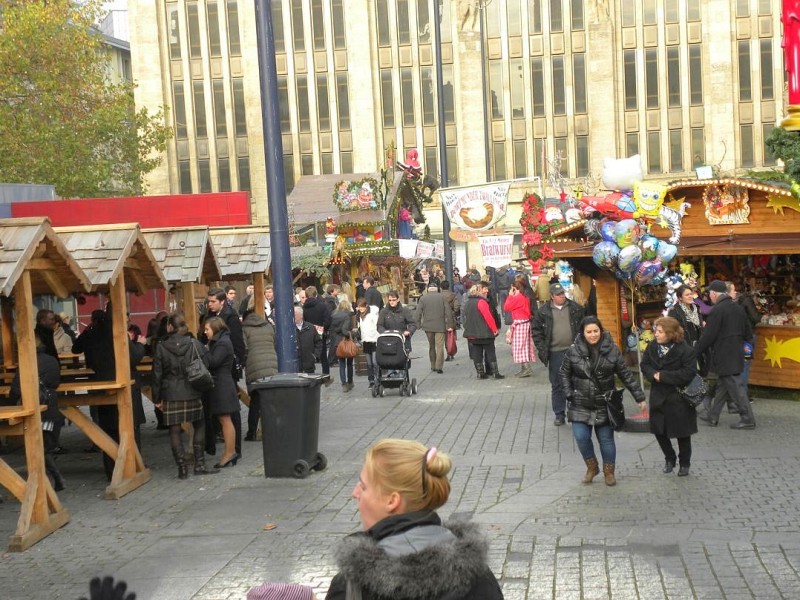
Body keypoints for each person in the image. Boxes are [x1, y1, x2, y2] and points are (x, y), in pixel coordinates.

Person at [325, 439, 504, 600]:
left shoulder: (353, 585)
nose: (354, 493)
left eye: (363, 487)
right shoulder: (478, 575)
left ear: (392, 501)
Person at [559, 316, 646, 486]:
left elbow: (625, 374)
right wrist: (569, 392)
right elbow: (564, 373)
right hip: (580, 401)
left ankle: (609, 472)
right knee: (581, 437)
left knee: (606, 440)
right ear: (583, 333)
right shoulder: (573, 351)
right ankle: (592, 467)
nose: (593, 335)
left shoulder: (612, 350)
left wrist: (639, 397)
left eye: (596, 331)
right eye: (589, 332)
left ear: (601, 330)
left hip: (604, 402)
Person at [152, 313, 217, 478]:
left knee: (174, 430)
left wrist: (156, 398)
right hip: (192, 390)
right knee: (199, 425)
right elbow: (206, 363)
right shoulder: (194, 343)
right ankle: (199, 464)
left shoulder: (161, 346)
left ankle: (181, 468)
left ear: (170, 327)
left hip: (171, 393)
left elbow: (157, 375)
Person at [640, 317, 699, 477]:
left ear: (670, 333)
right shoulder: (653, 347)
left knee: (682, 432)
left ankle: (684, 463)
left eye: (660, 332)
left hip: (679, 397)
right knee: (659, 430)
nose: (656, 335)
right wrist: (653, 375)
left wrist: (663, 376)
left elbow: (688, 373)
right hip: (658, 395)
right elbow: (644, 365)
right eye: (655, 331)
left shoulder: (685, 350)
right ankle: (669, 458)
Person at [695, 280, 756, 430]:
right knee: (722, 386)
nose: (709, 296)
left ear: (714, 294)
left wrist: (693, 352)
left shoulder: (717, 310)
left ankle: (748, 419)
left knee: (736, 388)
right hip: (736, 352)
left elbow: (709, 336)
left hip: (724, 354)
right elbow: (748, 332)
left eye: (709, 293)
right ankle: (713, 416)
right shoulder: (737, 307)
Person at [9, 341, 65, 491]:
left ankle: (49, 479)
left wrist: (11, 403)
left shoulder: (28, 362)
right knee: (45, 446)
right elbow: (56, 382)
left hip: (34, 406)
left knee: (37, 446)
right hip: (51, 404)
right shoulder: (52, 360)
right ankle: (53, 477)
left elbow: (16, 388)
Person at [532, 282, 585, 426]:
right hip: (555, 353)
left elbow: (583, 327)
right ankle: (559, 413)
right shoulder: (543, 311)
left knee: (575, 381)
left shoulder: (575, 308)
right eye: (559, 295)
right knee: (557, 385)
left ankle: (574, 410)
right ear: (551, 297)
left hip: (573, 351)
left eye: (563, 293)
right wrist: (542, 347)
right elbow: (536, 331)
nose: (562, 296)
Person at [204, 288, 246, 457]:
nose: (210, 304)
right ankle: (216, 443)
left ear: (222, 301)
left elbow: (237, 342)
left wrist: (238, 364)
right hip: (216, 368)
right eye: (209, 301)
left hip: (226, 368)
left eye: (213, 301)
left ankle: (235, 448)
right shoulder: (209, 315)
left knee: (231, 410)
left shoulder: (231, 316)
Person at [203, 317, 240, 468]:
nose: (205, 332)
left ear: (215, 329)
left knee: (225, 419)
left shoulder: (223, 343)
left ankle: (230, 452)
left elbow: (213, 362)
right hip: (221, 384)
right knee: (223, 419)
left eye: (207, 329)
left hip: (222, 385)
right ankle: (230, 452)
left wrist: (204, 351)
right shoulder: (221, 341)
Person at [242, 297, 278, 441]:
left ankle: (252, 432)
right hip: (271, 364)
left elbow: (244, 349)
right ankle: (271, 429)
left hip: (254, 365)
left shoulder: (244, 328)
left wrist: (245, 363)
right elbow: (274, 342)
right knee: (269, 400)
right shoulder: (268, 326)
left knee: (255, 400)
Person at [727, 280, 760, 402]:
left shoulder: (726, 302)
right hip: (747, 336)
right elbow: (755, 317)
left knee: (734, 366)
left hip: (732, 337)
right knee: (745, 366)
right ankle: (743, 394)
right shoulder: (746, 300)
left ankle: (733, 394)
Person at [461, 285, 502, 380]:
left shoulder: (467, 303)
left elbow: (465, 316)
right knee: (490, 352)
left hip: (472, 333)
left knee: (477, 353)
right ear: (478, 291)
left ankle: (480, 373)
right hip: (484, 333)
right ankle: (495, 372)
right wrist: (494, 329)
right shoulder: (481, 302)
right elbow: (488, 317)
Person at [667, 284, 707, 374]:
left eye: (691, 294)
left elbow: (699, 325)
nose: (690, 296)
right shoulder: (674, 311)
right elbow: (672, 331)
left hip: (698, 346)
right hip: (685, 347)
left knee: (702, 372)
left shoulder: (696, 308)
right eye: (687, 295)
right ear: (680, 298)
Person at [416, 282, 454, 374]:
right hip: (440, 326)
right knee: (440, 346)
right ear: (437, 289)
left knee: (431, 346)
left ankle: (433, 365)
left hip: (428, 326)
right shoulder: (442, 297)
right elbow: (448, 312)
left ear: (428, 289)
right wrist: (450, 325)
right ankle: (439, 366)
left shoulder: (423, 298)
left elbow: (418, 312)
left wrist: (418, 324)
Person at [504, 280, 536, 378]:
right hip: (524, 323)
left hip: (520, 323)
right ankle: (524, 368)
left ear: (514, 288)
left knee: (520, 347)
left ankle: (526, 368)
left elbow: (506, 307)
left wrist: (510, 296)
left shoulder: (517, 298)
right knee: (524, 346)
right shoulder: (523, 297)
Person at [303, 286, 332, 377]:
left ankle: (310, 374)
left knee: (309, 354)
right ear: (316, 294)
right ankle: (326, 375)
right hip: (320, 332)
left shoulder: (304, 307)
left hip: (307, 332)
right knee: (323, 356)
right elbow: (328, 320)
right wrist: (323, 328)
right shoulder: (322, 305)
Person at [330, 298, 356, 392]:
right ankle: (350, 382)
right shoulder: (347, 316)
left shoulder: (333, 315)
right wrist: (352, 333)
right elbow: (344, 330)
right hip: (346, 342)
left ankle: (343, 383)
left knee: (341, 364)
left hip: (337, 342)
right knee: (349, 363)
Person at [355, 299, 379, 389]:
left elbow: (377, 324)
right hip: (365, 341)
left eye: (362, 306)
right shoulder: (359, 315)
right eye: (359, 307)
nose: (360, 308)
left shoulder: (372, 314)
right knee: (369, 363)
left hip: (374, 340)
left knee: (374, 362)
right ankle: (371, 381)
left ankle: (377, 379)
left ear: (366, 306)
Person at [295, 306, 322, 374]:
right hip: (295, 366)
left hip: (309, 364)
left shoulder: (310, 327)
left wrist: (315, 355)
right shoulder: (289, 328)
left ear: (301, 315)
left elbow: (318, 342)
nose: (293, 316)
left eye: (295, 314)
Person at [440, 280, 459, 361]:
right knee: (451, 336)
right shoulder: (453, 295)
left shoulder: (439, 296)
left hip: (441, 317)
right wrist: (453, 312)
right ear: (448, 286)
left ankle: (448, 353)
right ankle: (451, 352)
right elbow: (457, 306)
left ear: (441, 287)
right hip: (451, 317)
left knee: (444, 337)